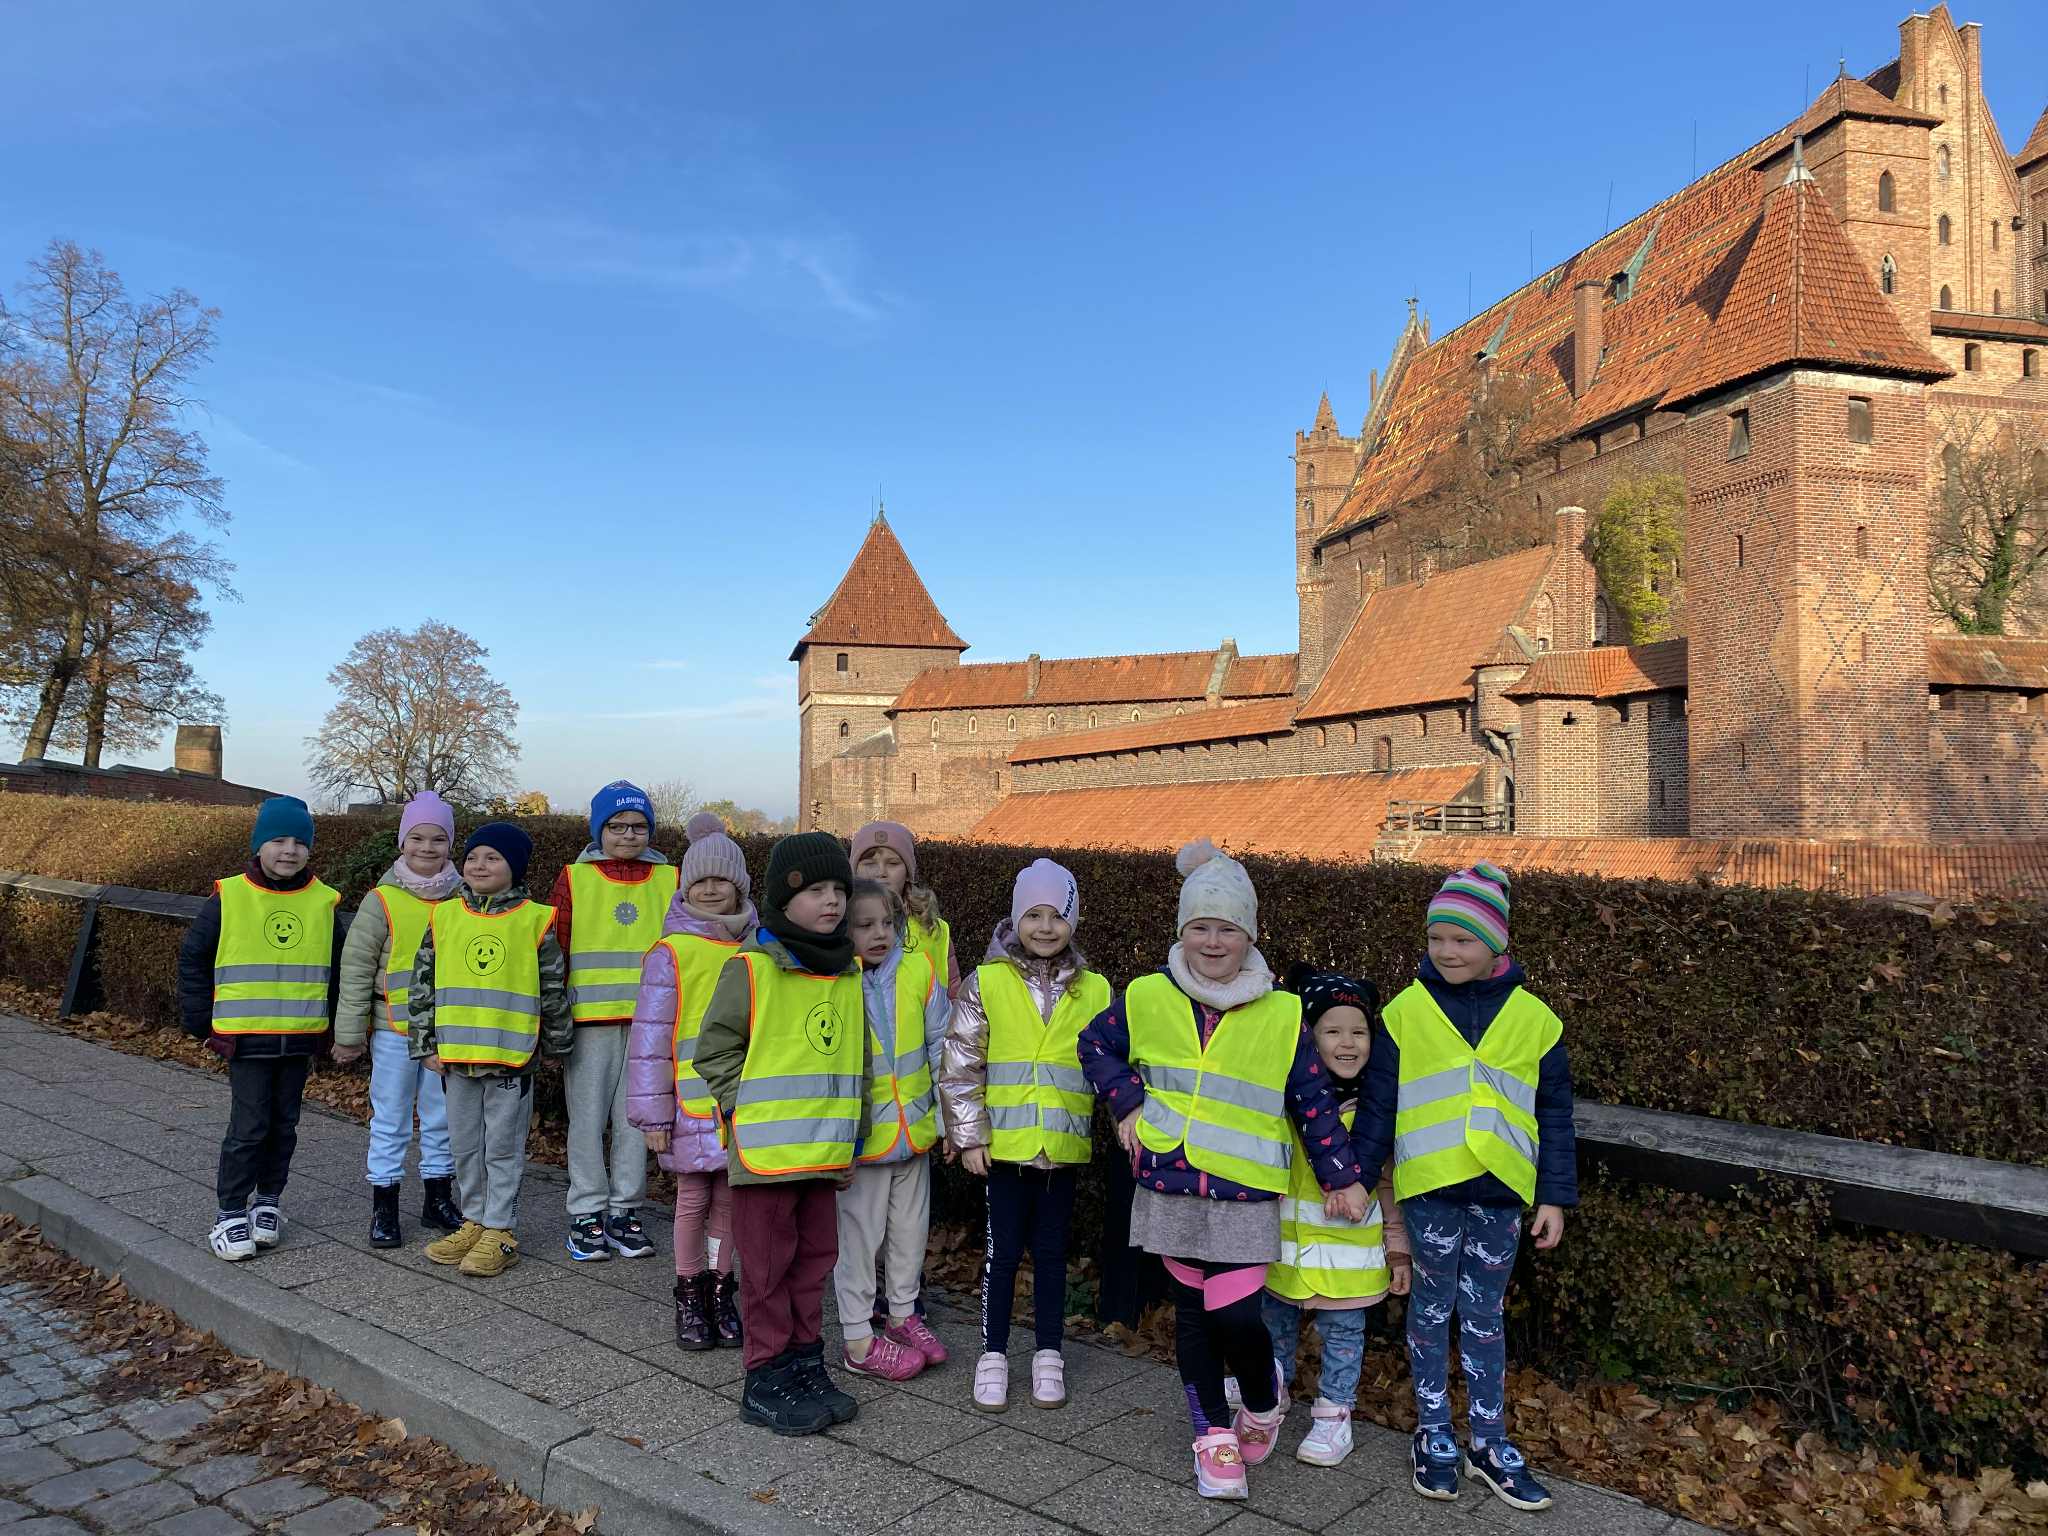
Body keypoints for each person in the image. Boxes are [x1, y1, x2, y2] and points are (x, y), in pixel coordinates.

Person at [1080, 840, 1366, 1501]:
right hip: (1170, 1183)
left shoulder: (1284, 1011)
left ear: (1251, 934)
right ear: (1183, 930)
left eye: (1227, 929)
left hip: (1243, 1195)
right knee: (1190, 1317)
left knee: (1236, 1320)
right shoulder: (1148, 994)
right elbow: (1094, 1045)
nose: (1213, 941)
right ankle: (1211, 1437)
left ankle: (1264, 1401)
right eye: (1200, 927)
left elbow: (1312, 1103)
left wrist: (1340, 1175)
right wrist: (1125, 1102)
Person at [1353, 863, 1576, 1513]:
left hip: (1502, 1194)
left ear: (1497, 943)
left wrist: (1555, 1196)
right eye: (1437, 939)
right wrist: (1360, 1181)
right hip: (1430, 1189)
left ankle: (1488, 1439)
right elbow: (1379, 1106)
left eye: (1463, 939)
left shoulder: (1537, 1022)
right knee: (1428, 1310)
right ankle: (1433, 1432)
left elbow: (1554, 1114)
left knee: (1483, 1317)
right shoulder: (1405, 1011)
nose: (1448, 952)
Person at [692, 833, 871, 1436]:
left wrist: (854, 1137)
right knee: (767, 1269)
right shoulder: (751, 968)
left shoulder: (848, 971)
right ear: (783, 898)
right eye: (816, 890)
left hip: (824, 1152)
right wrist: (744, 1108)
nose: (832, 903)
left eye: (839, 891)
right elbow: (714, 1050)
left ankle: (804, 1360)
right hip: (766, 1156)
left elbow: (857, 1061)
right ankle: (764, 1375)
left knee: (814, 1262)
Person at [940, 857, 1106, 1412]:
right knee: (1003, 1253)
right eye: (1032, 915)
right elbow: (962, 1062)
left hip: (1061, 1150)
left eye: (1056, 915)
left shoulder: (1097, 990)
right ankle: (993, 1355)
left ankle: (1049, 1355)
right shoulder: (985, 982)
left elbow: (1115, 1064)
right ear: (1015, 919)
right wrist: (968, 1136)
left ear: (1072, 921)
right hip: (1004, 1151)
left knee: (1054, 1255)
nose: (1044, 927)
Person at [178, 796, 341, 1262]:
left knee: (284, 1126)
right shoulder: (228, 896)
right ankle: (229, 1212)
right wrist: (198, 1020)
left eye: (299, 842)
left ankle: (268, 1201)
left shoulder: (324, 901)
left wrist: (334, 1027)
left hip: (300, 1036)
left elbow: (336, 969)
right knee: (248, 1128)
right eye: (278, 841)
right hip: (246, 1037)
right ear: (259, 845)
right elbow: (194, 958)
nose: (288, 850)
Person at [1261, 966, 1411, 1469]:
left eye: (1359, 1031)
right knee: (1273, 1328)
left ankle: (1333, 1416)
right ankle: (1268, 1395)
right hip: (1284, 1253)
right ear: (1309, 1038)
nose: (1348, 1043)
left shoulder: (1377, 1110)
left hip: (1351, 1261)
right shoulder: (1287, 1102)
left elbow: (1388, 1185)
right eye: (1332, 1031)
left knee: (1344, 1340)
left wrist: (1398, 1249)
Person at [409, 823, 574, 1279]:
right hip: (456, 1056)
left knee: (501, 1148)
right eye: (474, 856)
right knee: (464, 1145)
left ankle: (501, 1230)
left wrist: (559, 1043)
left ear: (514, 868)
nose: (479, 865)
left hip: (510, 1057)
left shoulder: (535, 920)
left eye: (493, 858)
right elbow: (422, 984)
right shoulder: (443, 917)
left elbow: (552, 988)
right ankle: (475, 1219)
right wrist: (424, 1043)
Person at [626, 812, 756, 1350]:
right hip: (686, 1105)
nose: (709, 890)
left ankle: (721, 1290)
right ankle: (688, 1291)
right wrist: (653, 1116)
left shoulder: (755, 948)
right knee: (690, 1202)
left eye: (720, 881)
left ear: (739, 887)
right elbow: (651, 1038)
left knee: (730, 1205)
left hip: (740, 1105)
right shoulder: (670, 952)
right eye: (699, 880)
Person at [551, 780, 678, 1262]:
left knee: (635, 1120)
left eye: (639, 825)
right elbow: (556, 947)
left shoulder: (671, 877)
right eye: (617, 826)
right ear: (598, 829)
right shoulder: (575, 877)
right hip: (589, 1021)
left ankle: (624, 1209)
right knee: (585, 1121)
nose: (628, 834)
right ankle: (586, 1212)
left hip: (651, 1024)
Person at [333, 791, 465, 1249]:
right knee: (389, 1116)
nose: (427, 848)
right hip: (393, 1027)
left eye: (437, 840)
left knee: (440, 1115)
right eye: (417, 838)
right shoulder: (381, 899)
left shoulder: (465, 898)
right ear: (402, 841)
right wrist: (349, 1035)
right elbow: (355, 969)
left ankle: (437, 1199)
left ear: (450, 845)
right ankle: (384, 1207)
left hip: (445, 1029)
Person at [831, 879, 950, 1381]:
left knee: (909, 1233)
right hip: (864, 1145)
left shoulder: (919, 971)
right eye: (864, 926)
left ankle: (903, 1315)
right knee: (858, 1240)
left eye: (887, 924)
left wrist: (947, 1121)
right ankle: (857, 1332)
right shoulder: (835, 982)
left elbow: (943, 1046)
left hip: (916, 1134)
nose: (878, 934)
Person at [851, 821, 958, 997]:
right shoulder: (840, 928)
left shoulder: (934, 931)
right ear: (854, 870)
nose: (881, 872)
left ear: (908, 873)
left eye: (892, 863)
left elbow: (953, 997)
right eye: (870, 863)